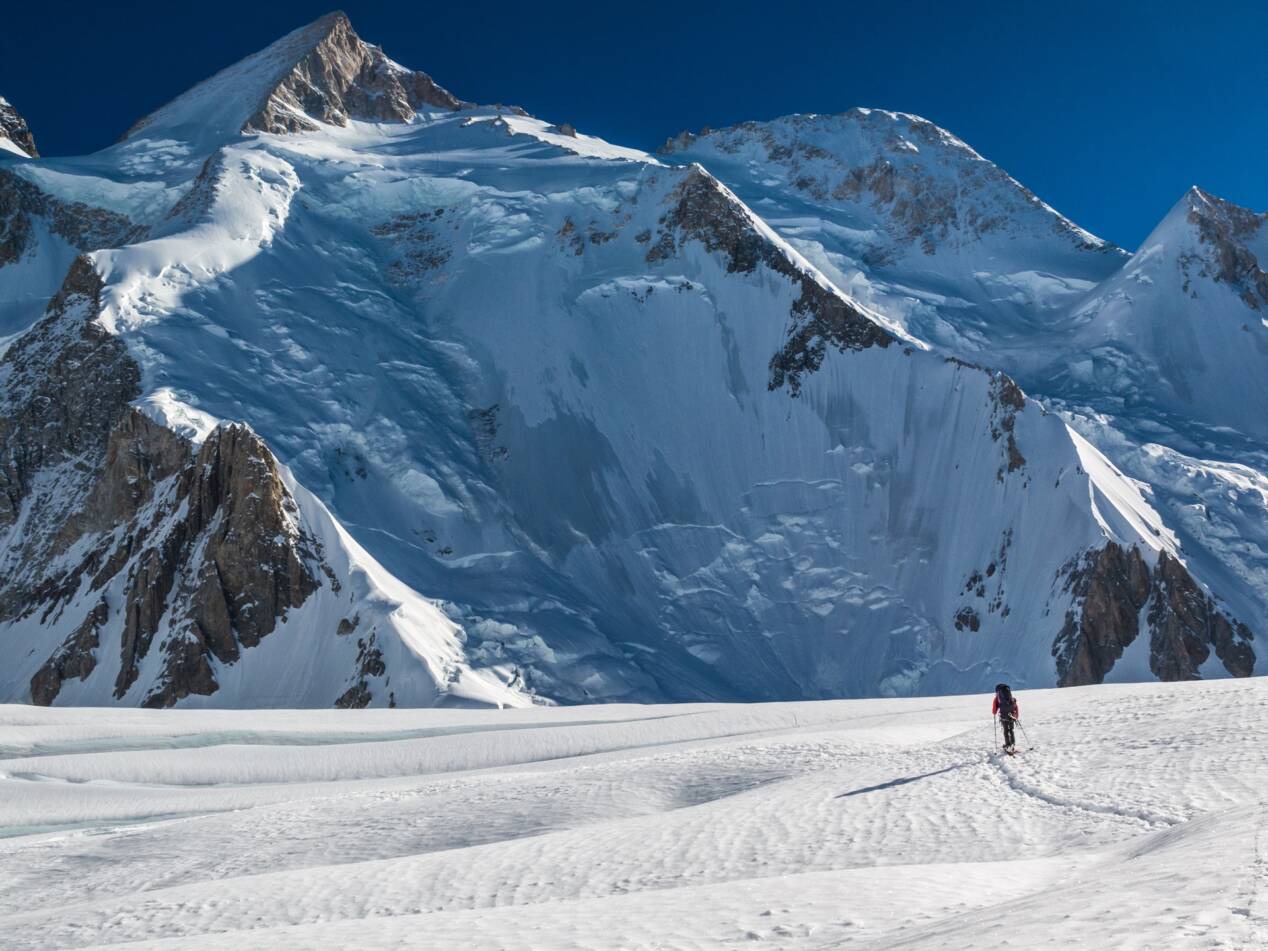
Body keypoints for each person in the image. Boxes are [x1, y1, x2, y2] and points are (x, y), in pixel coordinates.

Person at [993, 683, 1020, 752]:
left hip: (1004, 715)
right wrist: (1016, 715)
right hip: (1011, 714)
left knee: (1006, 730)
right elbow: (1015, 706)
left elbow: (994, 710)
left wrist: (995, 712)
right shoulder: (1010, 697)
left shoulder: (997, 698)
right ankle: (1012, 744)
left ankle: (1008, 745)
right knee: (1011, 730)